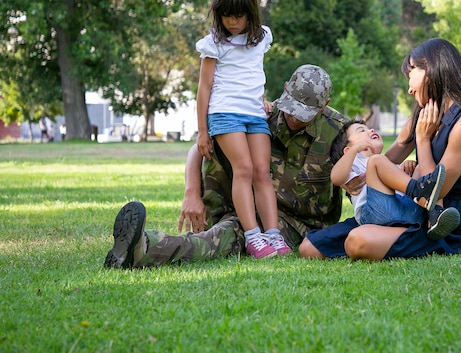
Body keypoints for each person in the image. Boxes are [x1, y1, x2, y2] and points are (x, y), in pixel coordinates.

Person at [104, 64, 347, 269]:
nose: (294, 117)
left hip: (301, 225)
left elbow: (366, 173)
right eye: (292, 107)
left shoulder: (340, 132)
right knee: (227, 228)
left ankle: (145, 247)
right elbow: (200, 147)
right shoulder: (261, 116)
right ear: (285, 89)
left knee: (224, 237)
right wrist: (191, 193)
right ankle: (138, 247)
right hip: (249, 209)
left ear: (324, 105)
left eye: (304, 114)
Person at [299, 38, 461, 260]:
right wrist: (357, 179)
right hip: (406, 209)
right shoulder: (421, 115)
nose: (409, 89)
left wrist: (422, 139)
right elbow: (383, 162)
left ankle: (389, 236)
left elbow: (437, 192)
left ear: (430, 67)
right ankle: (385, 232)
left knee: (357, 241)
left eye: (411, 76)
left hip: (443, 220)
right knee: (309, 248)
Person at [195, 0, 280, 258]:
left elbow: (253, 74)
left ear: (251, 13)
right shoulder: (214, 43)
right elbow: (204, 88)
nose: (232, 21)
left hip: (254, 114)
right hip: (224, 113)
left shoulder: (262, 37)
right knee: (242, 169)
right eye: (226, 15)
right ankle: (253, 237)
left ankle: (274, 235)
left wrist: (262, 99)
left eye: (239, 15)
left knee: (261, 172)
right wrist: (203, 131)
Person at [330, 120, 459, 239]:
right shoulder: (354, 163)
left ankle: (434, 216)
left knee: (420, 168)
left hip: (408, 214)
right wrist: (354, 150)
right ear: (347, 149)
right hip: (375, 217)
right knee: (377, 160)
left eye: (368, 128)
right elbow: (335, 178)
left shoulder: (387, 165)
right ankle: (421, 192)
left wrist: (409, 169)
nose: (371, 130)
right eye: (361, 130)